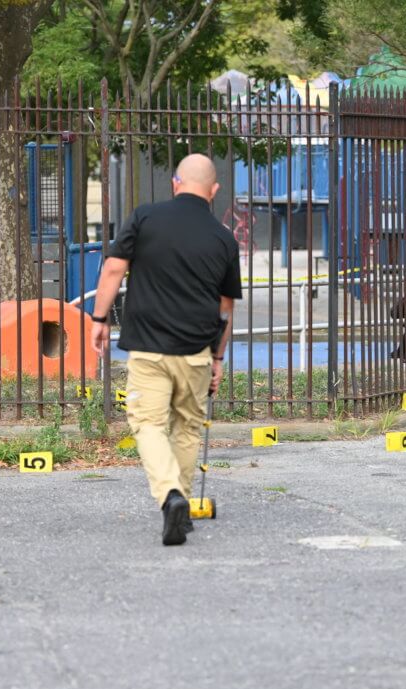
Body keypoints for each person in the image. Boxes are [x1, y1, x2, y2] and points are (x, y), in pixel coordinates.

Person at [90, 154, 241, 546]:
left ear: (176, 182)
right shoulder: (224, 238)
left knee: (148, 423)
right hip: (196, 351)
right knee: (188, 426)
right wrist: (218, 358)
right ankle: (184, 504)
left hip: (148, 346)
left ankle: (169, 495)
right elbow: (226, 308)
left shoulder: (144, 218)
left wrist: (99, 319)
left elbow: (112, 269)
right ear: (214, 191)